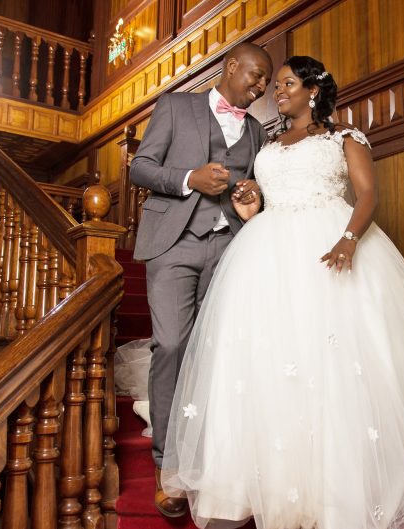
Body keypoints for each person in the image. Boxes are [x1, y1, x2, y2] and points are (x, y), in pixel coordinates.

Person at [161, 56, 404, 529]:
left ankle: (332, 487)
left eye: (286, 83)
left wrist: (348, 240)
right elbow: (267, 197)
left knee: (328, 360)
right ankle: (250, 479)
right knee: (266, 362)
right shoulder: (266, 141)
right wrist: (250, 206)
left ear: (313, 90)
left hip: (329, 243)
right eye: (275, 84)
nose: (277, 92)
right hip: (266, 252)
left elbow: (367, 194)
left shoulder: (343, 137)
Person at [129, 42, 274, 518]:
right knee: (171, 346)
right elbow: (139, 168)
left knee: (215, 355)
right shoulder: (176, 105)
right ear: (231, 66)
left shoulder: (256, 131)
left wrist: (250, 191)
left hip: (228, 246)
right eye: (254, 76)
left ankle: (210, 461)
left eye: (265, 83)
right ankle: (167, 466)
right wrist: (189, 177)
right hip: (174, 243)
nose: (259, 87)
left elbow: (250, 186)